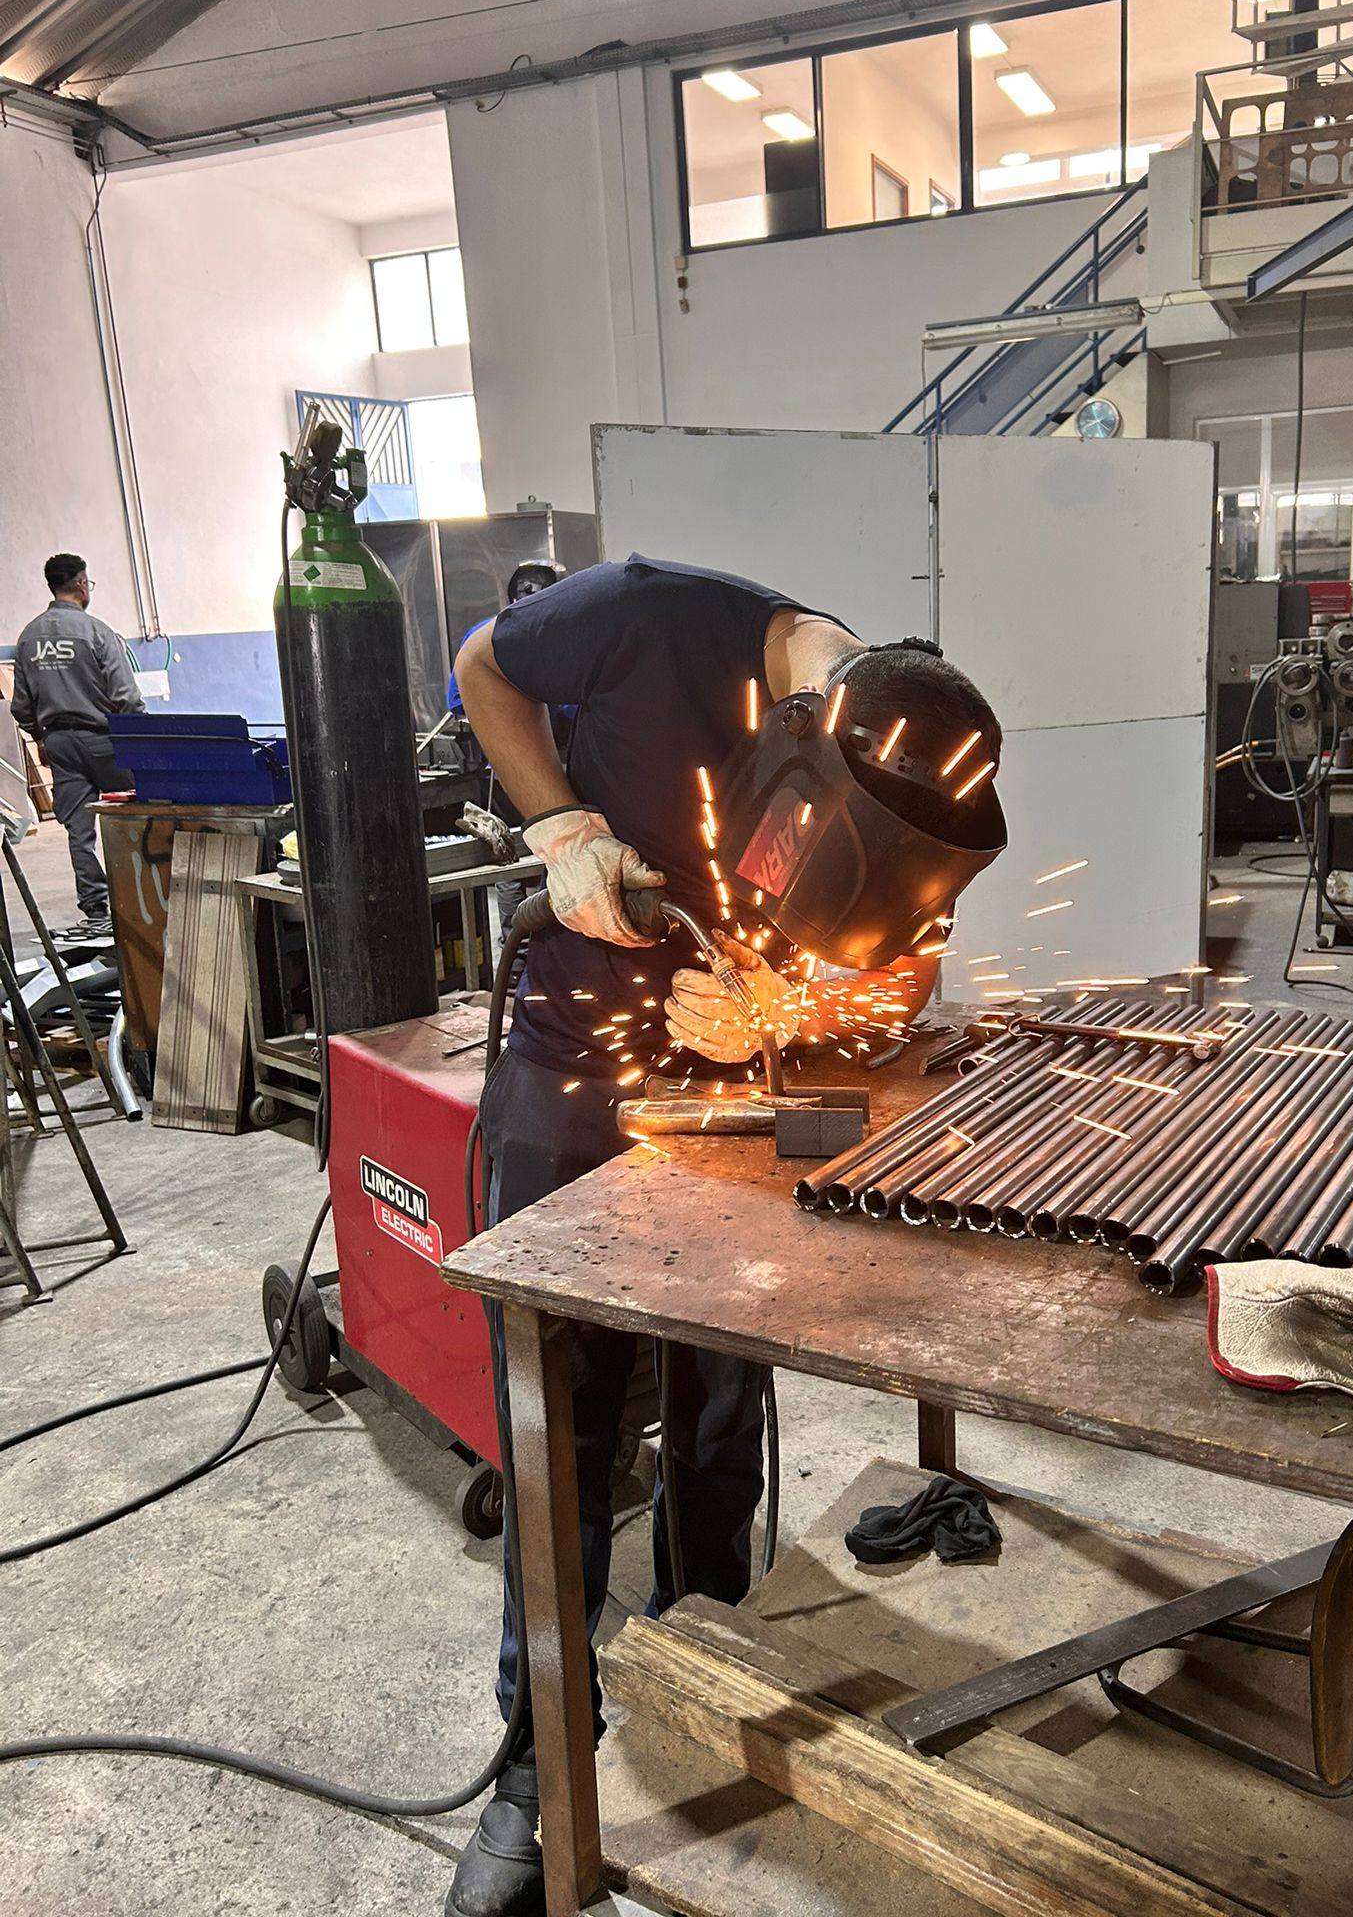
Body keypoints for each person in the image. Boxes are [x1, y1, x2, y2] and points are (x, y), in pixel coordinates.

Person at [448, 554, 1003, 1917]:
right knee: (558, 1404)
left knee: (718, 1389)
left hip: (730, 1096)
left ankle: (708, 1644)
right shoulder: (646, 614)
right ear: (794, 741)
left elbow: (900, 971)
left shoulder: (913, 760)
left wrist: (805, 1018)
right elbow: (482, 670)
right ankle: (543, 1746)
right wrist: (564, 826)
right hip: (574, 1056)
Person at [12, 554, 143, 934]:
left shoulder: (29, 637)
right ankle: (143, 896)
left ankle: (97, 910)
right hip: (105, 741)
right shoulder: (97, 633)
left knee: (78, 831)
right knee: (135, 817)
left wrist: (40, 736)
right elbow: (127, 698)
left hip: (60, 744)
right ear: (83, 584)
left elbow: (22, 704)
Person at [449, 561, 573, 944]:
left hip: (537, 764)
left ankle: (528, 947)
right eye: (528, 593)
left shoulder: (550, 636)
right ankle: (522, 951)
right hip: (520, 769)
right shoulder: (492, 638)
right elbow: (460, 700)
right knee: (532, 855)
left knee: (535, 856)